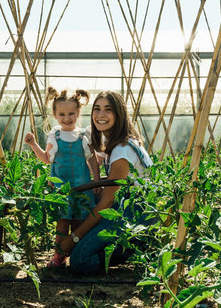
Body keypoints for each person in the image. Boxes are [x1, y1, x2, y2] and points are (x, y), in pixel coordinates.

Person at [59, 90, 153, 274]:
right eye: (97, 109)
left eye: (108, 110)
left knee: (80, 261)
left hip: (136, 216)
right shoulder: (121, 141)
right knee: (86, 200)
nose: (101, 115)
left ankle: (136, 245)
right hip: (134, 208)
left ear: (119, 114)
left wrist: (74, 237)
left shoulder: (122, 151)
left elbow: (107, 203)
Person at [24, 87, 100, 268]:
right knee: (62, 223)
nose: (67, 118)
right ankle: (59, 256)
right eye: (62, 114)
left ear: (78, 113)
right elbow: (46, 159)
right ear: (55, 114)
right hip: (61, 190)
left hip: (82, 187)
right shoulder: (55, 135)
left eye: (71, 114)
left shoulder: (83, 135)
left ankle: (76, 255)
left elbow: (92, 159)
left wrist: (96, 180)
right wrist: (33, 144)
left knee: (79, 222)